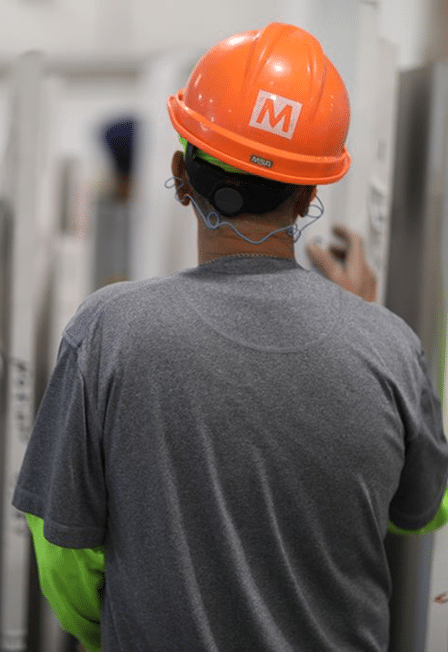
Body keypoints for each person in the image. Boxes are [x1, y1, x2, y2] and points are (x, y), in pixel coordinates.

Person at [13, 22, 448, 652]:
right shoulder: (390, 346)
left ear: (180, 176)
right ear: (308, 195)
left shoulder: (107, 331)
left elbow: (62, 547)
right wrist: (362, 324)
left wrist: (108, 632)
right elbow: (424, 508)